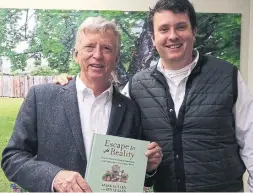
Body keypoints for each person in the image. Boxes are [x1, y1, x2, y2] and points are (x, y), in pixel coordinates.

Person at [55, 0, 253, 192]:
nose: (172, 36)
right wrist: (72, 84)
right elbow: (101, 101)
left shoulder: (228, 76)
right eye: (164, 29)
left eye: (181, 27)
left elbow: (250, 142)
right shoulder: (136, 86)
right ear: (153, 38)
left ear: (194, 31)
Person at [1, 17, 162, 192]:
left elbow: (137, 177)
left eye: (107, 48)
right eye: (89, 47)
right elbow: (12, 158)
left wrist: (148, 167)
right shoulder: (41, 98)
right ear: (76, 54)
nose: (98, 55)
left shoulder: (129, 109)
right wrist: (54, 178)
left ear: (116, 58)